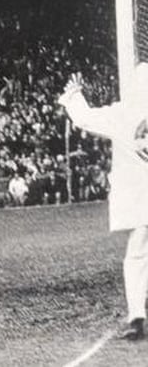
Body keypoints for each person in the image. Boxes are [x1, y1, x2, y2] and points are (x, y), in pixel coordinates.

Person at [59, 70, 148, 340]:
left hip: (141, 199)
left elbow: (85, 118)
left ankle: (137, 315)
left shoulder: (122, 114)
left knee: (136, 255)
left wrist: (74, 94)